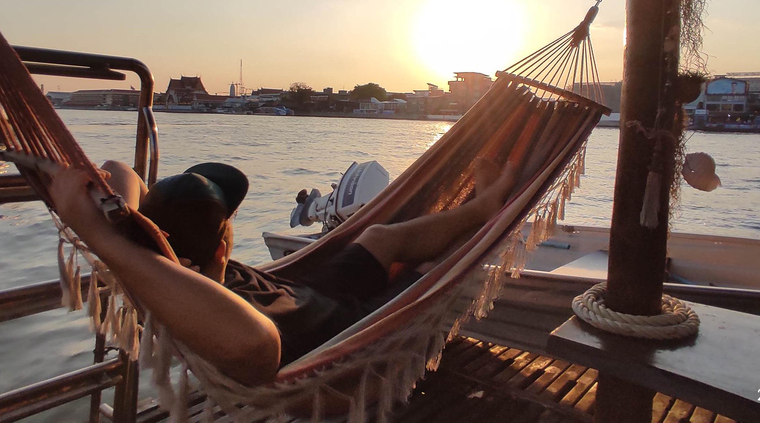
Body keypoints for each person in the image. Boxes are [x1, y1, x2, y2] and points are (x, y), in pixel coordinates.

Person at [49, 157, 518, 387]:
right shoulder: (210, 314)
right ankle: (468, 229)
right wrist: (107, 239)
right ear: (222, 245)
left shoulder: (161, 261)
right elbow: (256, 346)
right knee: (433, 273)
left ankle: (482, 208)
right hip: (347, 331)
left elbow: (116, 170)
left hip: (308, 289)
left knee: (378, 237)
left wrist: (119, 229)